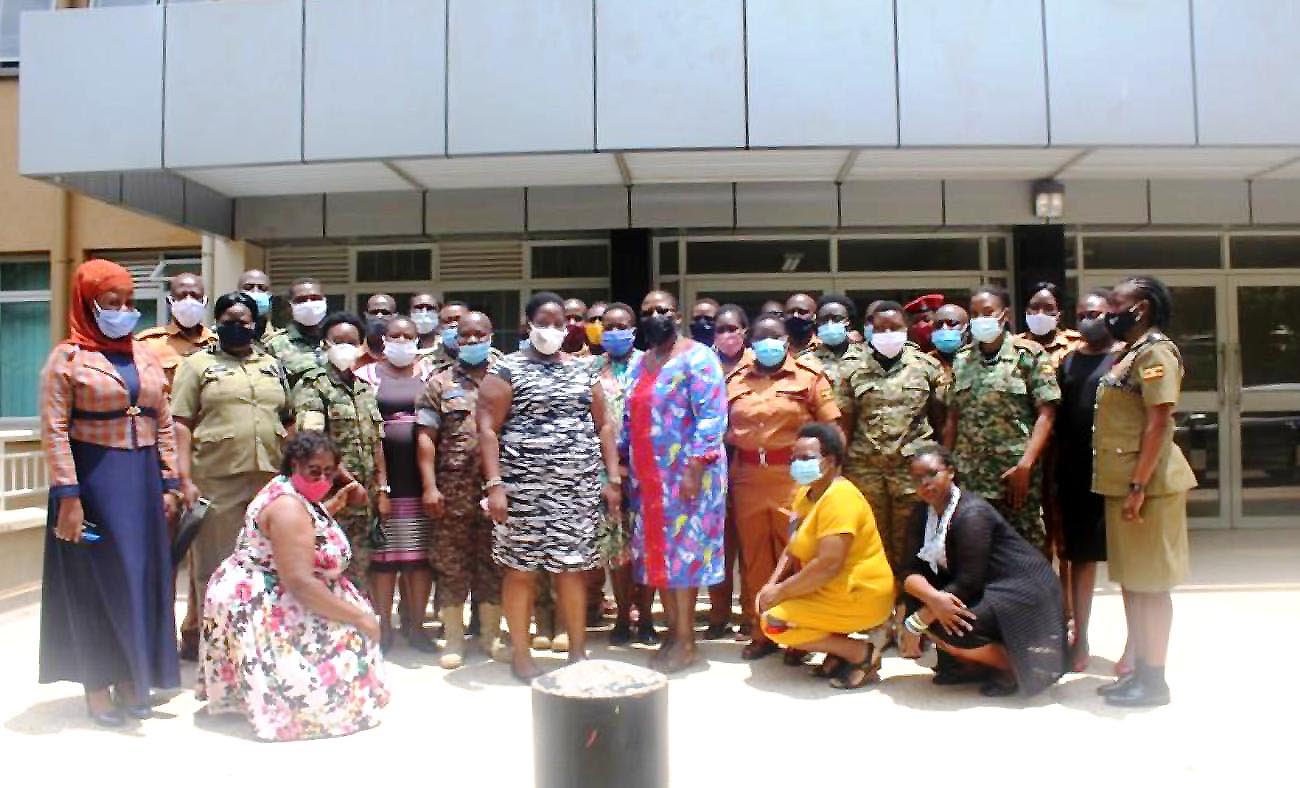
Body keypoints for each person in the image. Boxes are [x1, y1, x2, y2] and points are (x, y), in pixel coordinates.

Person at [38, 258, 182, 727]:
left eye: (128, 302)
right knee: (96, 581)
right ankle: (98, 685)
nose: (122, 311)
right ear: (87, 303)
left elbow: (161, 419)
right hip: (94, 482)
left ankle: (133, 678)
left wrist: (170, 481)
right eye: (110, 302)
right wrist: (69, 495)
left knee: (142, 579)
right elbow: (54, 429)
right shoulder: (68, 357)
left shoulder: (143, 354)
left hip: (142, 482)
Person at [198, 431, 389, 741]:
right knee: (352, 636)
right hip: (267, 599)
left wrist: (331, 506)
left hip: (266, 587)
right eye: (314, 471)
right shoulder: (287, 507)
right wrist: (358, 617)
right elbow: (299, 582)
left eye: (329, 472)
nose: (323, 479)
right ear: (293, 466)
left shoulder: (293, 495)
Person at [478, 291, 622, 682]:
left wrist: (612, 478)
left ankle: (576, 652)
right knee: (520, 571)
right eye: (544, 322)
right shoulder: (506, 370)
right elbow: (487, 429)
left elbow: (604, 425)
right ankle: (522, 656)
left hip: (575, 492)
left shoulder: (583, 370)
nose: (553, 330)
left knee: (571, 570)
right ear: (528, 325)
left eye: (560, 323)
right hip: (522, 491)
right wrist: (495, 486)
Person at [1092, 276, 1197, 707]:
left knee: (1152, 587)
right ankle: (1139, 671)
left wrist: (1138, 485)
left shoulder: (1156, 353)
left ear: (1142, 308)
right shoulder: (1131, 354)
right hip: (1125, 485)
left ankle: (1155, 681)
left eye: (1116, 304)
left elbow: (1158, 422)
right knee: (1135, 584)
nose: (1106, 313)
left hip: (1148, 487)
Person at [171, 292, 291, 662]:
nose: (235, 326)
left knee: (269, 564)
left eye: (243, 320)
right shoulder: (197, 365)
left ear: (256, 324)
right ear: (217, 322)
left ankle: (262, 645)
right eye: (227, 319)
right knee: (216, 568)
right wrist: (184, 479)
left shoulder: (272, 365)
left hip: (268, 479)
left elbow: (288, 417)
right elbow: (180, 423)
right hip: (216, 479)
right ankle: (216, 652)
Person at [901, 445, 1066, 697]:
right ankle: (970, 664)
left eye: (932, 474)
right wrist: (929, 605)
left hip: (1022, 590)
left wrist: (922, 618)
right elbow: (909, 568)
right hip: (985, 587)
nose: (925, 483)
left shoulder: (971, 513)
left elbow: (969, 581)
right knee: (919, 603)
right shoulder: (921, 512)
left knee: (954, 627)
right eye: (917, 478)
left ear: (951, 472)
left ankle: (1015, 667)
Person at [624, 290, 728, 672]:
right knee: (659, 559)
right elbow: (628, 417)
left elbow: (711, 418)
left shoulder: (699, 358)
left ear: (678, 315)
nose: (655, 316)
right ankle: (673, 633)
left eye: (662, 310)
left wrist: (695, 468)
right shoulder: (641, 363)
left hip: (688, 478)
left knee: (683, 559)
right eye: (647, 311)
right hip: (649, 482)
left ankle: (687, 642)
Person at [726, 314, 841, 660]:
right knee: (755, 558)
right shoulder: (734, 380)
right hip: (748, 476)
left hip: (794, 478)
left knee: (798, 557)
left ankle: (801, 634)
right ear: (750, 344)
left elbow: (833, 428)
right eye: (760, 338)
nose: (767, 343)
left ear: (787, 342)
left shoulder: (809, 378)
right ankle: (762, 630)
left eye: (774, 337)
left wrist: (832, 478)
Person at [838, 300, 946, 654]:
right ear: (868, 328)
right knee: (872, 550)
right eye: (880, 328)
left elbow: (940, 419)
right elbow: (846, 422)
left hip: (911, 476)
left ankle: (910, 620)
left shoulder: (926, 366)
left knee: (912, 548)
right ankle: (877, 620)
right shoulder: (851, 367)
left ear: (907, 328)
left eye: (894, 328)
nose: (887, 334)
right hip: (864, 472)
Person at [756, 424, 895, 689]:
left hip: (859, 594)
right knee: (768, 602)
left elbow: (828, 565)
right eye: (794, 458)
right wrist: (771, 585)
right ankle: (839, 651)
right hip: (828, 591)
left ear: (830, 461)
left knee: (773, 621)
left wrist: (781, 593)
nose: (797, 464)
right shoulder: (805, 494)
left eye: (806, 458)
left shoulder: (840, 498)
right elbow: (793, 545)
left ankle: (861, 654)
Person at [416, 311, 509, 669]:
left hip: (495, 487)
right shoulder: (438, 383)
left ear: (490, 335)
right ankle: (453, 637)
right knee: (451, 563)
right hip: (452, 487)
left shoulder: (504, 380)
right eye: (464, 335)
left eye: (478, 335)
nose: (471, 341)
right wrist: (429, 486)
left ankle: (491, 635)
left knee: (492, 560)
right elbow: (426, 438)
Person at [944, 285, 1060, 552]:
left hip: (1014, 476)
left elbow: (1047, 414)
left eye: (988, 312)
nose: (980, 318)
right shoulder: (962, 360)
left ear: (1004, 315)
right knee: (976, 550)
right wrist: (947, 466)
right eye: (974, 313)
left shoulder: (1028, 355)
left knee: (1025, 551)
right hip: (970, 476)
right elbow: (953, 417)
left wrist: (1026, 465)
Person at [292, 313, 389, 606]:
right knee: (327, 570)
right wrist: (349, 483)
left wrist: (381, 488)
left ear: (361, 346)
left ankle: (355, 635)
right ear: (325, 344)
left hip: (365, 502)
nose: (345, 347)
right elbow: (315, 445)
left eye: (351, 341)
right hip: (331, 499)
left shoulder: (365, 390)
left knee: (360, 571)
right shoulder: (314, 387)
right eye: (338, 341)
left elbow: (377, 443)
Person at [354, 316, 437, 654]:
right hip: (383, 479)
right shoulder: (365, 377)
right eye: (395, 335)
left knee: (418, 560)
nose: (402, 340)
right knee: (384, 560)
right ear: (383, 340)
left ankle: (416, 627)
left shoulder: (431, 376)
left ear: (418, 339)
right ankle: (383, 626)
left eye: (409, 335)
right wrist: (380, 485)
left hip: (422, 480)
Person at [1055, 288, 1122, 673]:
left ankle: (1134, 647)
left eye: (1095, 313)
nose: (1087, 320)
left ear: (1112, 314)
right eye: (1081, 313)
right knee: (1080, 559)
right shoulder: (1068, 362)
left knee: (1128, 564)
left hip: (1115, 472)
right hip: (1076, 475)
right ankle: (1080, 638)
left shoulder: (1125, 359)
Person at [591, 303, 658, 646]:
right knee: (617, 549)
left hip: (647, 470)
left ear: (634, 329)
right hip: (606, 472)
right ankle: (620, 616)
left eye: (623, 325)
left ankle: (645, 618)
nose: (615, 332)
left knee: (645, 547)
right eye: (609, 326)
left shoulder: (651, 365)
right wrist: (610, 471)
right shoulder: (590, 370)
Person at [1020, 282, 1084, 576]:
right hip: (1026, 451)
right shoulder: (1015, 347)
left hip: (1065, 449)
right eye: (1034, 308)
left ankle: (1068, 610)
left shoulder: (1076, 346)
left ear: (1060, 313)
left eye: (1048, 308)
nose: (1040, 313)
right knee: (1034, 529)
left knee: (1065, 530)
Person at [705, 303, 751, 638]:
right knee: (719, 546)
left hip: (748, 466)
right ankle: (718, 615)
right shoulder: (703, 363)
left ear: (744, 331)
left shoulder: (758, 364)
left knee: (751, 547)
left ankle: (751, 615)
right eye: (721, 329)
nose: (726, 335)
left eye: (733, 328)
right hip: (711, 469)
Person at [135, 272, 215, 390]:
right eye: (182, 296)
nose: (189, 301)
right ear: (170, 301)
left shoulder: (217, 343)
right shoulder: (147, 343)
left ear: (204, 301)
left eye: (194, 296)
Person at [803, 293, 861, 414]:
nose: (830, 324)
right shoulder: (805, 361)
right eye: (824, 320)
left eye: (837, 319)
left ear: (848, 322)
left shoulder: (867, 358)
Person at [265, 277, 329, 386]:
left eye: (315, 298)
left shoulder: (338, 342)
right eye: (301, 300)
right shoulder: (275, 345)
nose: (309, 304)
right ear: (290, 306)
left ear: (325, 301)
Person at [928, 302, 968, 427]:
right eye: (939, 325)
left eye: (952, 324)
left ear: (966, 328)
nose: (944, 328)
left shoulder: (978, 360)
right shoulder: (922, 364)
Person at [425, 300, 470, 373]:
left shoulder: (488, 357)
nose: (453, 324)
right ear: (439, 327)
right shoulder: (427, 362)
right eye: (447, 321)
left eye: (458, 319)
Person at [237, 268, 275, 347]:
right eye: (248, 287)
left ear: (270, 295)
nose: (255, 291)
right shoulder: (222, 332)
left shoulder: (281, 338)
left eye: (262, 288)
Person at [360, 293, 397, 367]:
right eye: (374, 312)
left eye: (385, 312)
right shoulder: (355, 356)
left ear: (395, 317)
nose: (379, 316)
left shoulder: (405, 355)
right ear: (366, 316)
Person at [783, 292, 819, 358]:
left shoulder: (824, 347)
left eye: (802, 312)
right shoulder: (776, 348)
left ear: (814, 316)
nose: (795, 316)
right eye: (790, 312)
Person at [410, 292, 443, 359]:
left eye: (430, 308)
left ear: (438, 313)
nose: (424, 312)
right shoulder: (402, 347)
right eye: (419, 307)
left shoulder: (446, 345)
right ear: (410, 312)